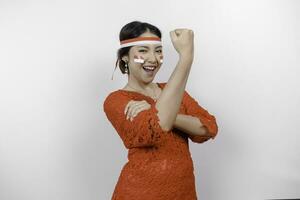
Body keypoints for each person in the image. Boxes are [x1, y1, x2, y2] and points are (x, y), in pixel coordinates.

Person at [103, 21, 219, 200]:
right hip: (140, 193)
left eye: (158, 51)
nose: (153, 59)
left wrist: (156, 110)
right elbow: (159, 125)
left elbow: (208, 128)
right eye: (143, 51)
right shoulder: (117, 100)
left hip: (184, 193)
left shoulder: (171, 91)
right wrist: (186, 58)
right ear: (125, 57)